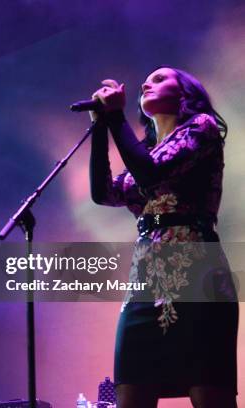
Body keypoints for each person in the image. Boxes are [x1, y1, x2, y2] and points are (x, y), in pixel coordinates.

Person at [88, 67, 237, 407]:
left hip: (197, 274)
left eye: (159, 79)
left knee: (209, 392)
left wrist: (114, 119)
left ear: (185, 93)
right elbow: (103, 194)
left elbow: (151, 173)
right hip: (146, 282)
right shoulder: (146, 154)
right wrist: (100, 126)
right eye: (147, 81)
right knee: (132, 390)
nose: (145, 84)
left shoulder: (201, 128)